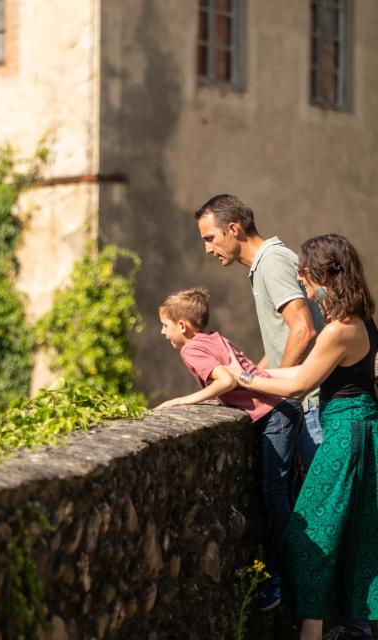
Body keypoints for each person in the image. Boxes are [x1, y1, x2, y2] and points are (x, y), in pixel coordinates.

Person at [195, 195, 372, 639]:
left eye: (307, 271)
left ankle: (335, 624)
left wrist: (248, 381)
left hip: (336, 427)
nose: (299, 276)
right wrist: (255, 373)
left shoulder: (336, 325)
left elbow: (300, 361)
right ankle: (344, 627)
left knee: (311, 533)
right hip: (351, 425)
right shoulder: (361, 322)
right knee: (350, 531)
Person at [156, 287, 302, 609]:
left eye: (165, 325)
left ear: (183, 326)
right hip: (284, 410)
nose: (162, 332)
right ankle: (293, 573)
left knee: (275, 497)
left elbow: (225, 381)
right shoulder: (214, 338)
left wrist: (182, 400)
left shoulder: (192, 348)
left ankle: (285, 578)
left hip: (275, 414)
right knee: (282, 497)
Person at [194, 194, 324, 467]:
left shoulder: (271, 262)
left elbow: (302, 330)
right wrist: (253, 373)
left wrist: (275, 394)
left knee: (321, 506)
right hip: (309, 406)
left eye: (209, 238)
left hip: (313, 408)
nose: (207, 249)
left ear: (234, 228)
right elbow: (283, 337)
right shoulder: (266, 263)